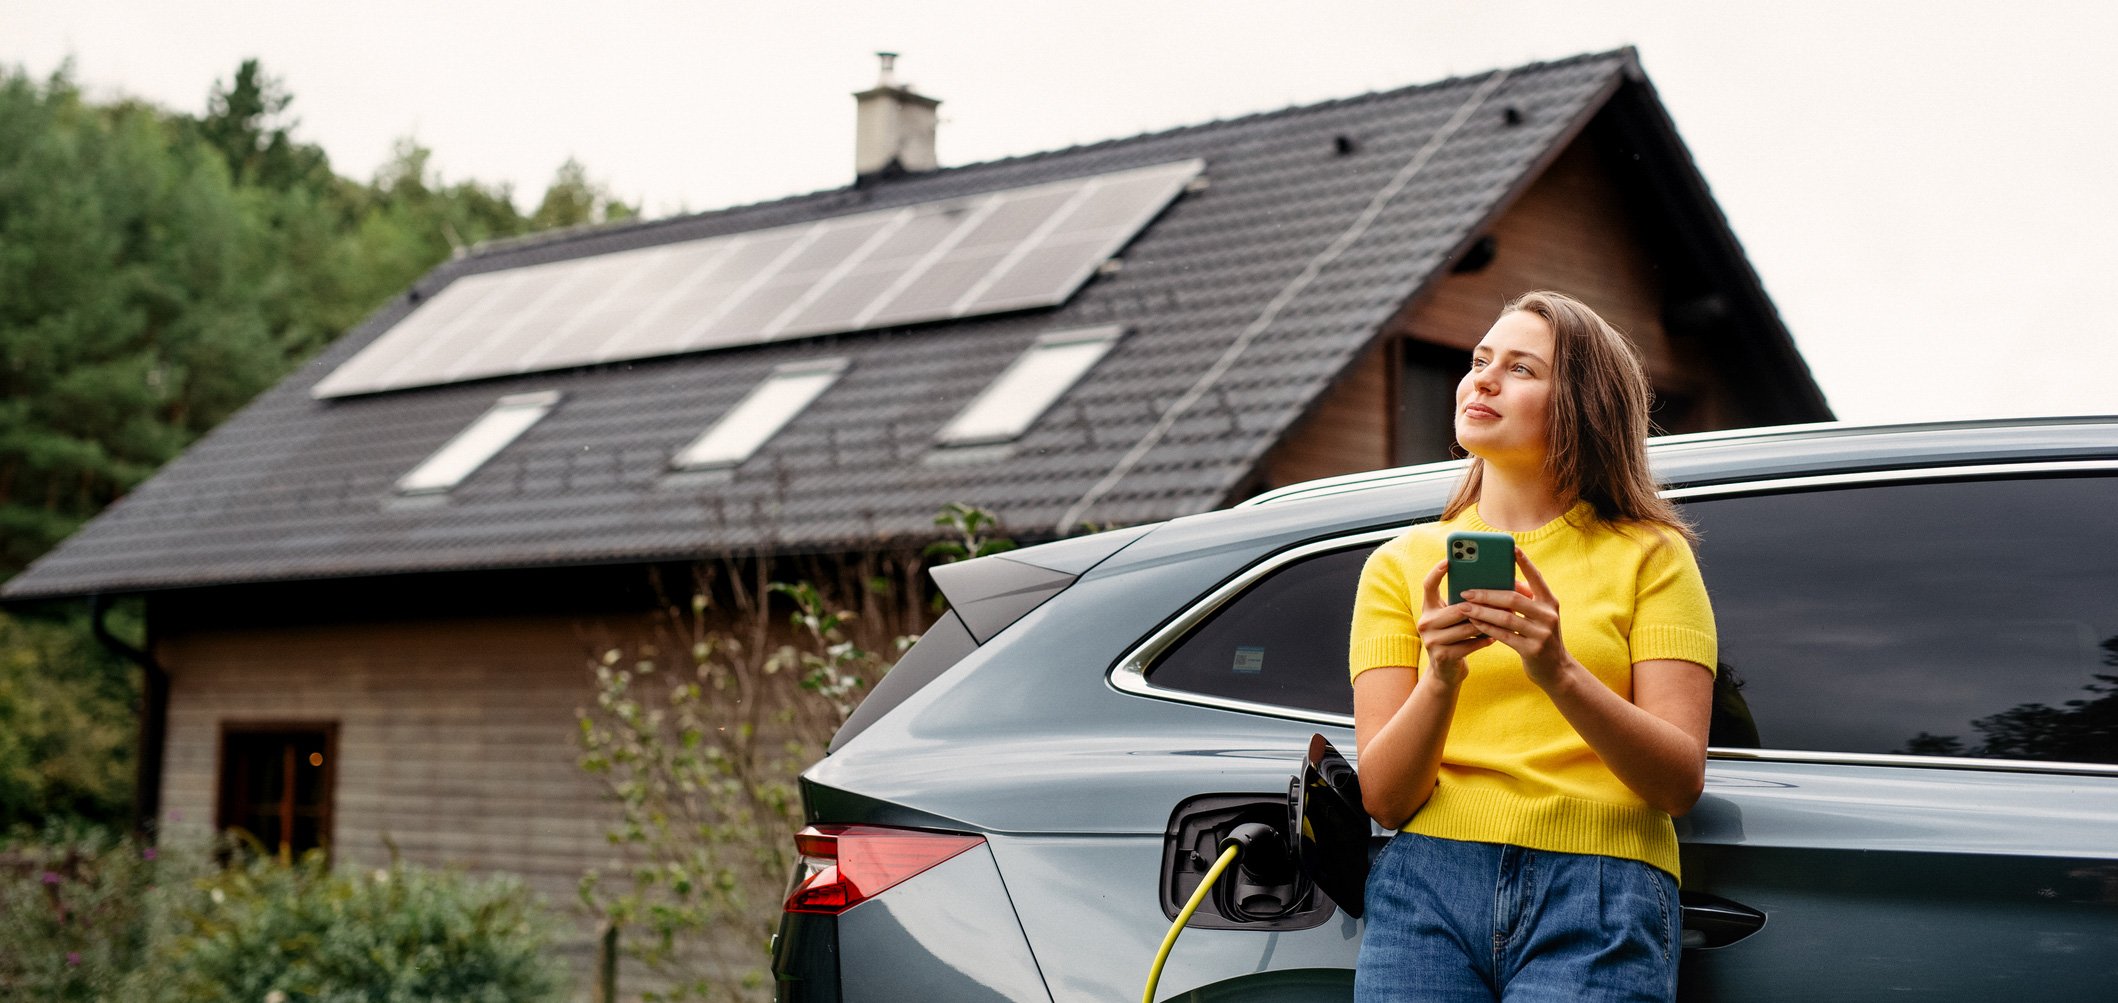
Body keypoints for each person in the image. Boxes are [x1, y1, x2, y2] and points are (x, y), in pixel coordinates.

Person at [1348, 291, 1717, 1002]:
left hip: (1603, 888)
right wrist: (1442, 677)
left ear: (1581, 403)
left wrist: (1559, 671)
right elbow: (1387, 799)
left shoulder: (1653, 555)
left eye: (1520, 369)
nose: (1481, 379)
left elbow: (1677, 782)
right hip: (1426, 882)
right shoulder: (1397, 567)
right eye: (1480, 360)